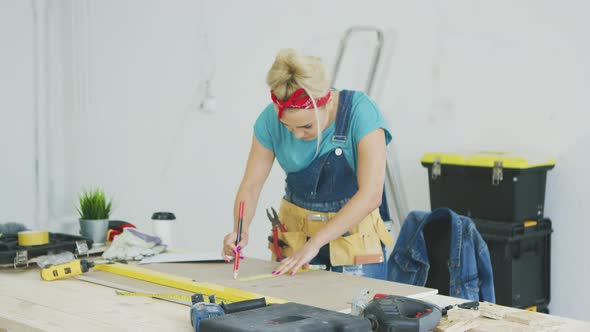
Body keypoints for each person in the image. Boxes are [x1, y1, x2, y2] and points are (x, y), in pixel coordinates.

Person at [222, 48, 393, 280]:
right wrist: (240, 230)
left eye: (307, 127)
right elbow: (251, 186)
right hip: (296, 238)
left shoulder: (360, 113)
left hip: (354, 242)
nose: (297, 135)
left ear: (328, 102)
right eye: (288, 128)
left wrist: (316, 243)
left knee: (356, 314)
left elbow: (371, 195)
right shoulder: (268, 121)